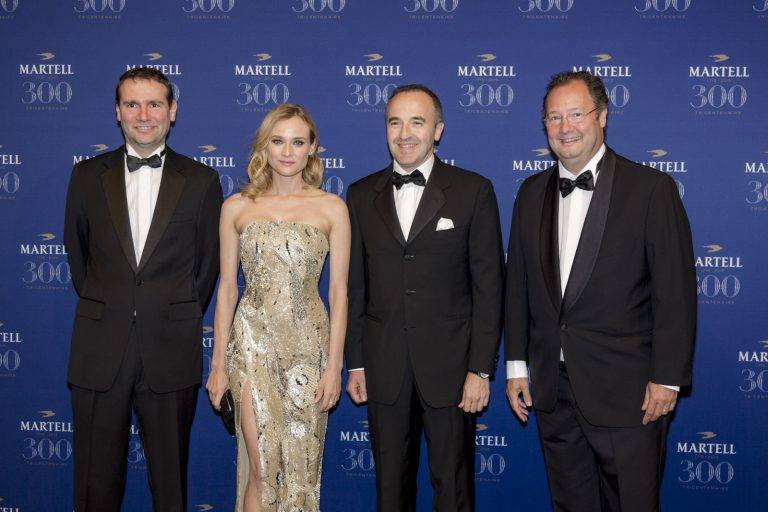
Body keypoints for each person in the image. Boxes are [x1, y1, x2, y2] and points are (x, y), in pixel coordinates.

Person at [505, 70, 696, 512]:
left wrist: (667, 378)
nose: (565, 127)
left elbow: (676, 292)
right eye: (554, 117)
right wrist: (516, 364)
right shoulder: (530, 193)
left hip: (629, 392)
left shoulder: (651, 189)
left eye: (576, 114)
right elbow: (519, 288)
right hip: (553, 390)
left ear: (603, 116)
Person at [64, 67, 223, 511]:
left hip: (170, 350)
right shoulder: (85, 177)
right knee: (95, 486)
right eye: (132, 104)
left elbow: (206, 267)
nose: (143, 114)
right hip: (99, 349)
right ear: (117, 112)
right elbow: (79, 261)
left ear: (173, 111)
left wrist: (169, 311)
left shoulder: (202, 181)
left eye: (154, 104)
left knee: (170, 486)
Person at [345, 84, 504, 511]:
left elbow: (489, 289)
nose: (404, 133)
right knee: (389, 490)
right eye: (394, 122)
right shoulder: (360, 195)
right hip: (383, 366)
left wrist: (480, 370)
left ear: (438, 130)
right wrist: (356, 361)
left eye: (417, 121)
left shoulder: (473, 191)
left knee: (452, 488)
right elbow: (355, 286)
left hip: (452, 370)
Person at [206, 103, 350, 511]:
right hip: (251, 348)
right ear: (264, 147)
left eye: (297, 142)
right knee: (263, 467)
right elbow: (227, 291)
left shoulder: (332, 208)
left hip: (309, 348)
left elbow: (339, 292)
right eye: (278, 141)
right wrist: (218, 366)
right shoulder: (236, 207)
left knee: (303, 473)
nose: (287, 151)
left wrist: (334, 365)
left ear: (312, 149)